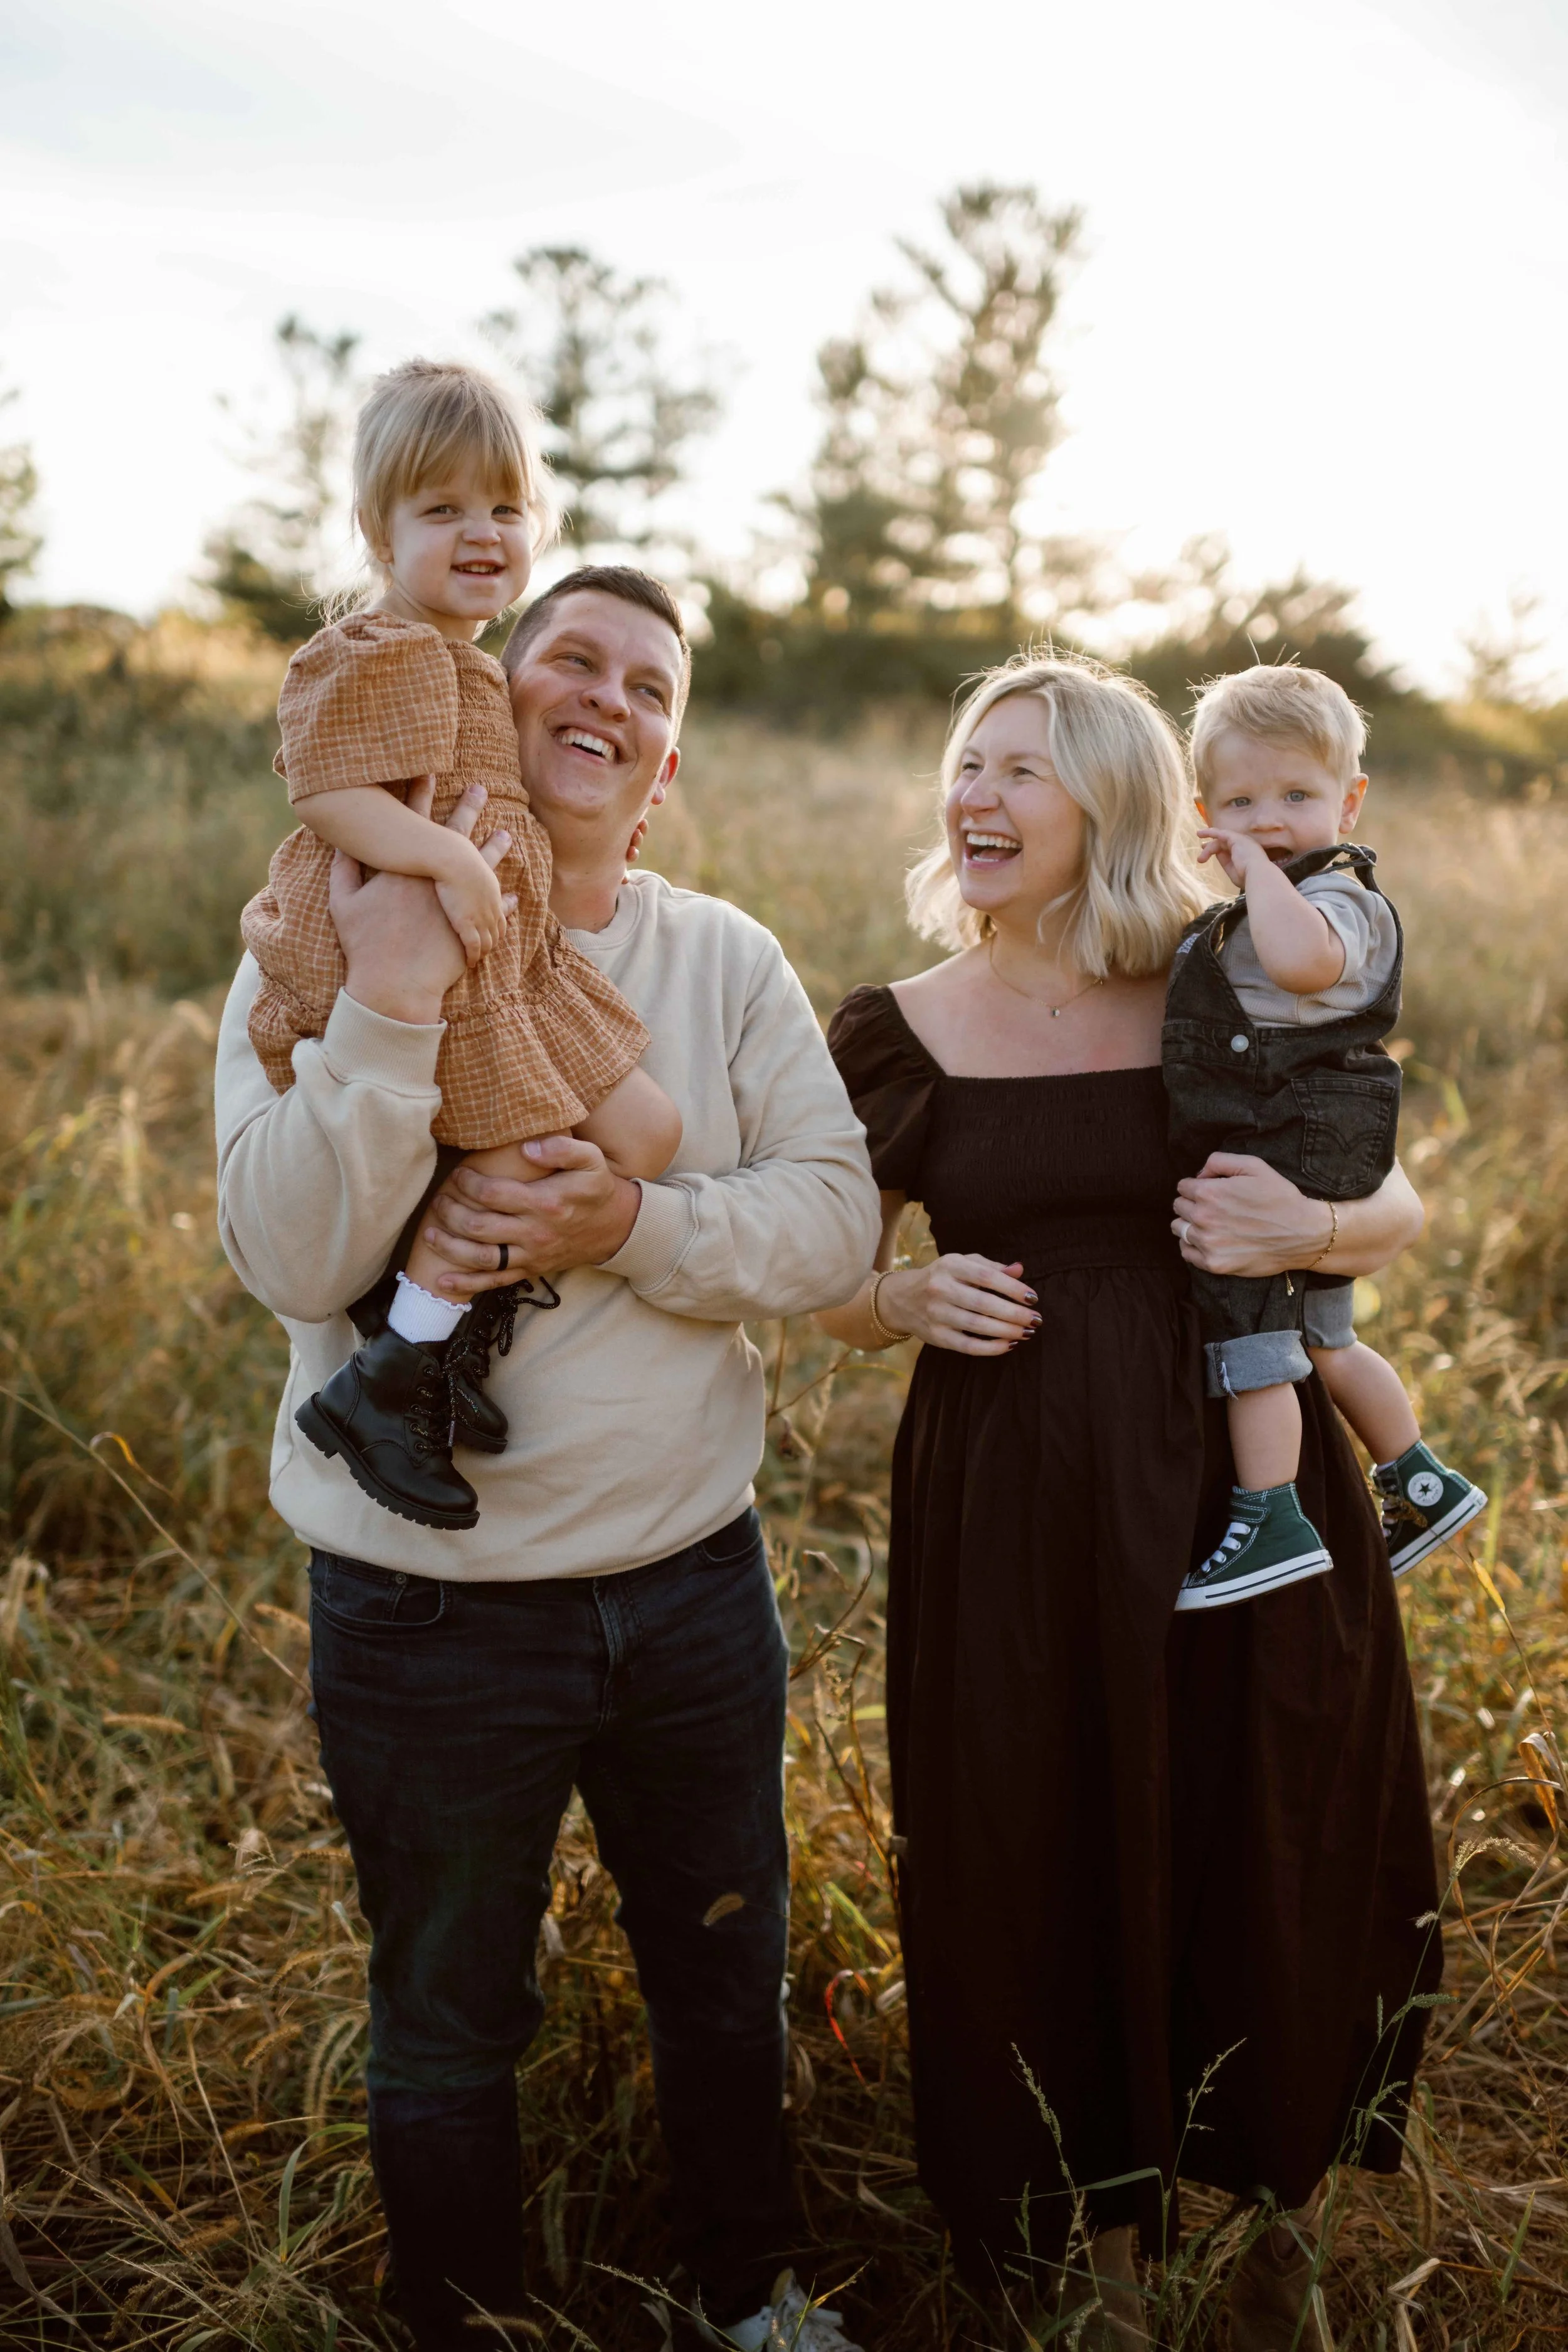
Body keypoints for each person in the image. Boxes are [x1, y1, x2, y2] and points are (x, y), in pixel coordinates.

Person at [216, 566, 881, 2352]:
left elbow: (828, 1226)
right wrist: (387, 997)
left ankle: (750, 2292)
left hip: (688, 1589)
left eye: (646, 686)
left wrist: (630, 1216)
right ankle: (463, 2323)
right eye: (565, 661)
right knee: (445, 2009)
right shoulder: (313, 915)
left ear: (661, 764)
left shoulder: (722, 958)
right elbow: (285, 1256)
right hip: (425, 1609)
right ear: (484, 702)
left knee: (724, 1972)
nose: (604, 696)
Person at [818, 654, 1441, 2352]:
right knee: (1036, 1824)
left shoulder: (1222, 969)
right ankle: (1093, 2232)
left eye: (1023, 765)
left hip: (1234, 1467)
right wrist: (894, 1304)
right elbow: (814, 1262)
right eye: (965, 760)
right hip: (1009, 1496)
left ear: (1108, 797)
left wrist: (1297, 1237)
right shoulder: (892, 1022)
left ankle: (1279, 2192)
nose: (978, 793)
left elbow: (1383, 1198)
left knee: (1260, 1803)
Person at [241, 359, 681, 1532]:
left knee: (648, 1132)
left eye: (504, 508)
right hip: (421, 953)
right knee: (530, 1149)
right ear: (379, 534)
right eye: (441, 510)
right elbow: (328, 792)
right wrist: (449, 860)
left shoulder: (467, 658)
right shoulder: (377, 647)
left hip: (501, 954)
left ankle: (436, 1344)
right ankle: (398, 1371)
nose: (480, 532)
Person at [1167, 665, 1485, 1608]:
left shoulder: (1340, 898)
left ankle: (1269, 1512)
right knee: (1327, 1335)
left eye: (1297, 796)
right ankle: (1420, 1478)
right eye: (1242, 801)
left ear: (1349, 801)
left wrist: (1258, 869)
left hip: (1291, 1142)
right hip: (1301, 1136)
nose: (1269, 819)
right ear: (1205, 810)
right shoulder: (1249, 901)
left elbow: (1305, 964)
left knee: (1252, 1330)